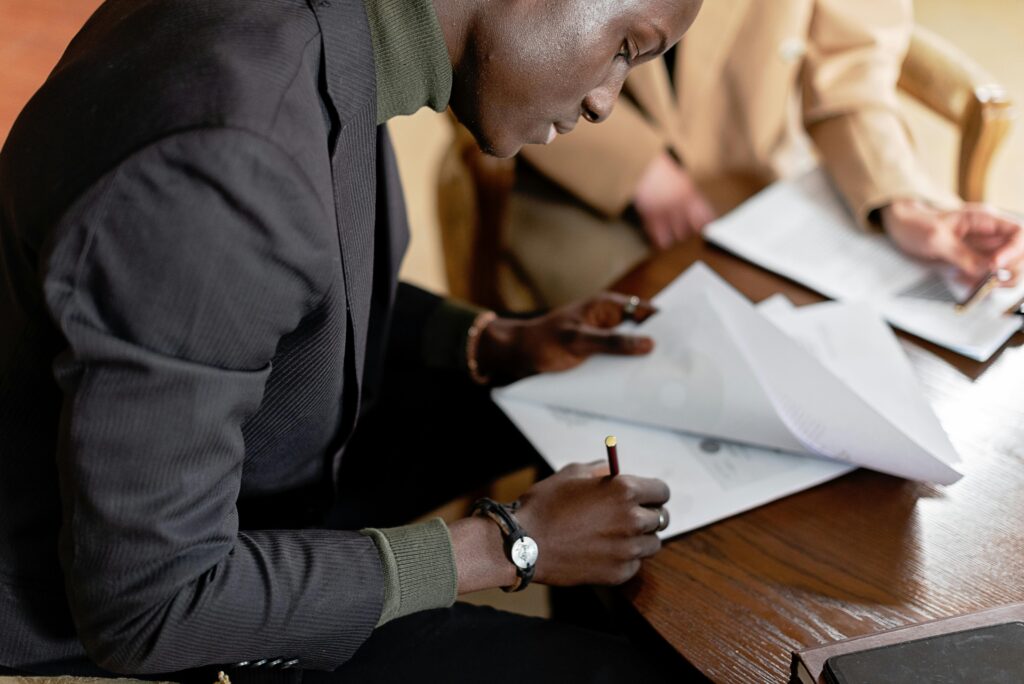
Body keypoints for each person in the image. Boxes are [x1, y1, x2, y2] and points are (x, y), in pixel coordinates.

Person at [0, 0, 701, 681]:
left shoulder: (329, 33)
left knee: (534, 406)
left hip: (224, 474)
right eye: (623, 48)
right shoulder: (229, 158)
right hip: (127, 608)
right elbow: (151, 606)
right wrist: (509, 545)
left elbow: (279, 290)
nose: (608, 100)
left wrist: (493, 343)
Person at [509, 0, 1024, 306]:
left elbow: (851, 77)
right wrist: (638, 167)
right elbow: (490, 35)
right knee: (629, 348)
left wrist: (900, 202)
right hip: (578, 173)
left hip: (754, 186)